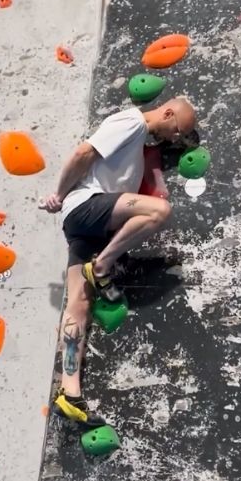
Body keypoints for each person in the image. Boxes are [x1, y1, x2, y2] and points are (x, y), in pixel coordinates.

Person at [39, 98, 198, 425]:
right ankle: (101, 267)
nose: (175, 138)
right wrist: (58, 194)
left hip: (88, 225)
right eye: (177, 131)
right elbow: (83, 153)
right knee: (159, 211)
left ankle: (69, 392)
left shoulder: (139, 143)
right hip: (86, 206)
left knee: (79, 305)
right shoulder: (132, 122)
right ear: (168, 113)